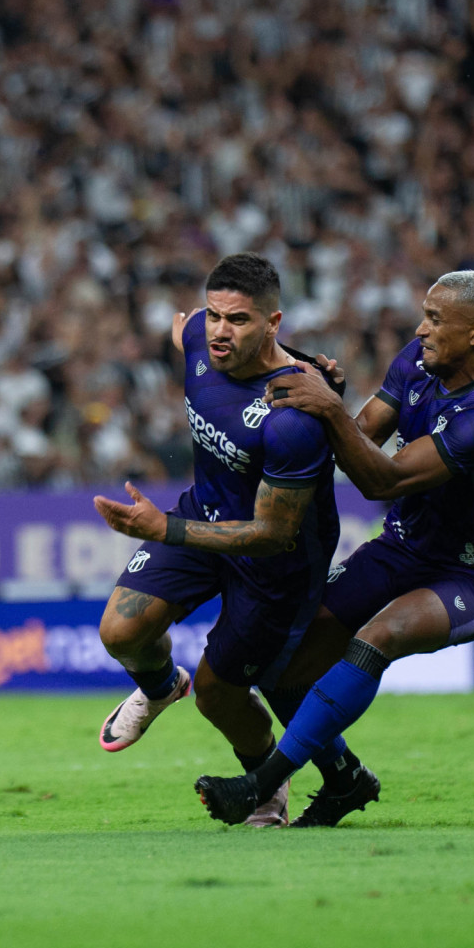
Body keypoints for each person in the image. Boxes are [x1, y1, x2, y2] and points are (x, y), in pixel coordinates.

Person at [193, 271, 474, 827]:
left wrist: (326, 410)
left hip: (472, 576)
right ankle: (346, 779)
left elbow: (384, 482)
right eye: (424, 314)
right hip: (399, 549)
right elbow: (360, 436)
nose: (421, 328)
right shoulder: (417, 362)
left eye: (436, 319)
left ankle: (262, 782)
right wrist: (321, 409)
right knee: (285, 662)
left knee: (379, 636)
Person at [90, 253, 358, 828]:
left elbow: (273, 532)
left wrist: (165, 528)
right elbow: (183, 330)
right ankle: (161, 688)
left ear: (273, 323)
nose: (218, 330)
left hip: (275, 564)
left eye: (238, 320)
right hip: (202, 517)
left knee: (218, 694)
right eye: (214, 315)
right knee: (121, 630)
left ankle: (266, 784)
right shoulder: (194, 338)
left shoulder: (293, 415)